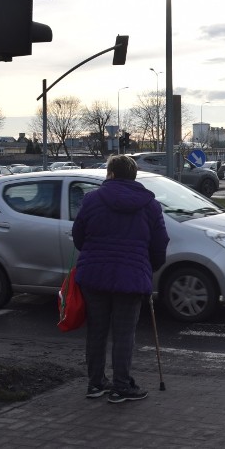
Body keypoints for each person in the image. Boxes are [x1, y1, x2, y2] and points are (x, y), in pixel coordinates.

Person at [73, 154, 170, 403]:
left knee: (96, 331)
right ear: (134, 175)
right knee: (124, 333)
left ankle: (95, 383)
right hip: (132, 276)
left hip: (94, 275)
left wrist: (93, 254)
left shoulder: (92, 199)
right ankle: (121, 386)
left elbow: (79, 236)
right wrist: (150, 266)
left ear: (111, 174)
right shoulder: (149, 205)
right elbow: (160, 243)